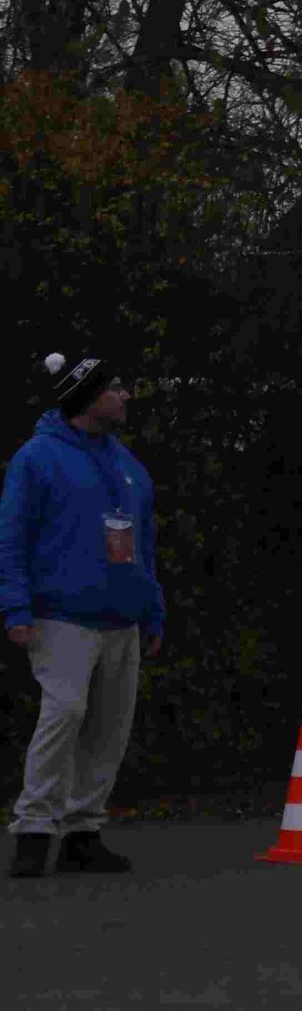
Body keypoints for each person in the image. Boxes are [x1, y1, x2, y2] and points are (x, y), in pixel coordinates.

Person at [2, 352, 165, 879]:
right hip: (60, 615)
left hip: (122, 617)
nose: (125, 395)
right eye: (115, 387)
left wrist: (153, 611)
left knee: (108, 728)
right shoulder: (37, 458)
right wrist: (15, 606)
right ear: (86, 397)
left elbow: (144, 546)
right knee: (65, 713)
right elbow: (12, 537)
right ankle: (34, 828)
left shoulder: (129, 466)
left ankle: (82, 833)